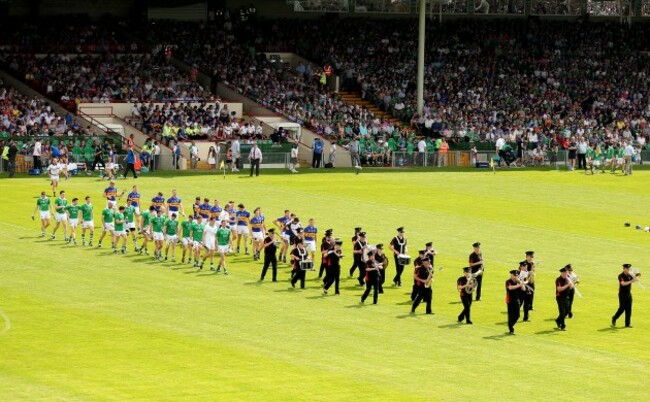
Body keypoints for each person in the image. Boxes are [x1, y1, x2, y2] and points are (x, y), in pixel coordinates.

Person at [611, 263, 638, 328]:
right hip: (622, 294)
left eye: (629, 269)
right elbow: (623, 284)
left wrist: (635, 276)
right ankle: (614, 318)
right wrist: (631, 281)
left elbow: (636, 278)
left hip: (628, 294)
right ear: (624, 269)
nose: (628, 270)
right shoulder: (621, 276)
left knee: (629, 309)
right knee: (622, 308)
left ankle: (627, 324)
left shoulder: (630, 275)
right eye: (627, 269)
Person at [506, 269, 525, 335]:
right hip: (510, 301)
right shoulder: (508, 281)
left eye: (517, 275)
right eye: (514, 275)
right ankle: (511, 329)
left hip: (517, 300)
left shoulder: (518, 282)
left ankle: (510, 324)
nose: (516, 277)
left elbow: (523, 289)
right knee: (510, 315)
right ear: (511, 275)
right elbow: (510, 288)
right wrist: (519, 285)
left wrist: (521, 283)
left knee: (517, 315)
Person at [555, 266, 573, 331]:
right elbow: (559, 289)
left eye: (567, 272)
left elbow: (570, 288)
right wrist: (567, 285)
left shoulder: (567, 279)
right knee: (562, 312)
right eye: (565, 273)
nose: (566, 274)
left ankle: (558, 320)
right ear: (562, 273)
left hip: (566, 297)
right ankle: (563, 326)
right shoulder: (558, 280)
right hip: (560, 298)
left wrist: (571, 285)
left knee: (566, 312)